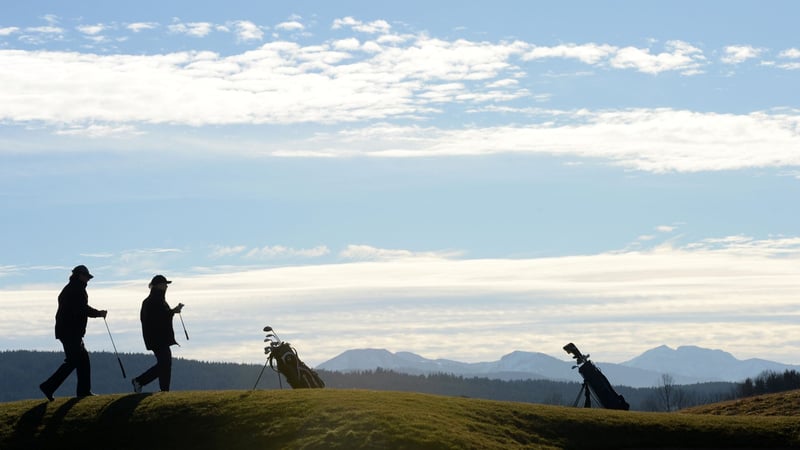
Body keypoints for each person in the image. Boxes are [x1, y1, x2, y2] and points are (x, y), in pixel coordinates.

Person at [39, 265, 107, 401]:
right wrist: (98, 313)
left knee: (82, 360)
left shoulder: (72, 288)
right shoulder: (76, 289)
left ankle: (83, 391)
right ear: (80, 275)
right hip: (70, 332)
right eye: (86, 277)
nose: (88, 280)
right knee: (73, 361)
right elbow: (82, 309)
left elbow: (79, 309)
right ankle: (49, 386)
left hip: (68, 331)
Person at [132, 274, 184, 393]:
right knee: (165, 363)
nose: (166, 286)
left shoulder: (155, 300)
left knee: (165, 363)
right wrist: (173, 312)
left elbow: (161, 316)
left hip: (158, 338)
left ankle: (162, 389)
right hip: (158, 338)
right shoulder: (154, 301)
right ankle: (141, 381)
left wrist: (172, 312)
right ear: (158, 286)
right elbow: (160, 317)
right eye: (164, 284)